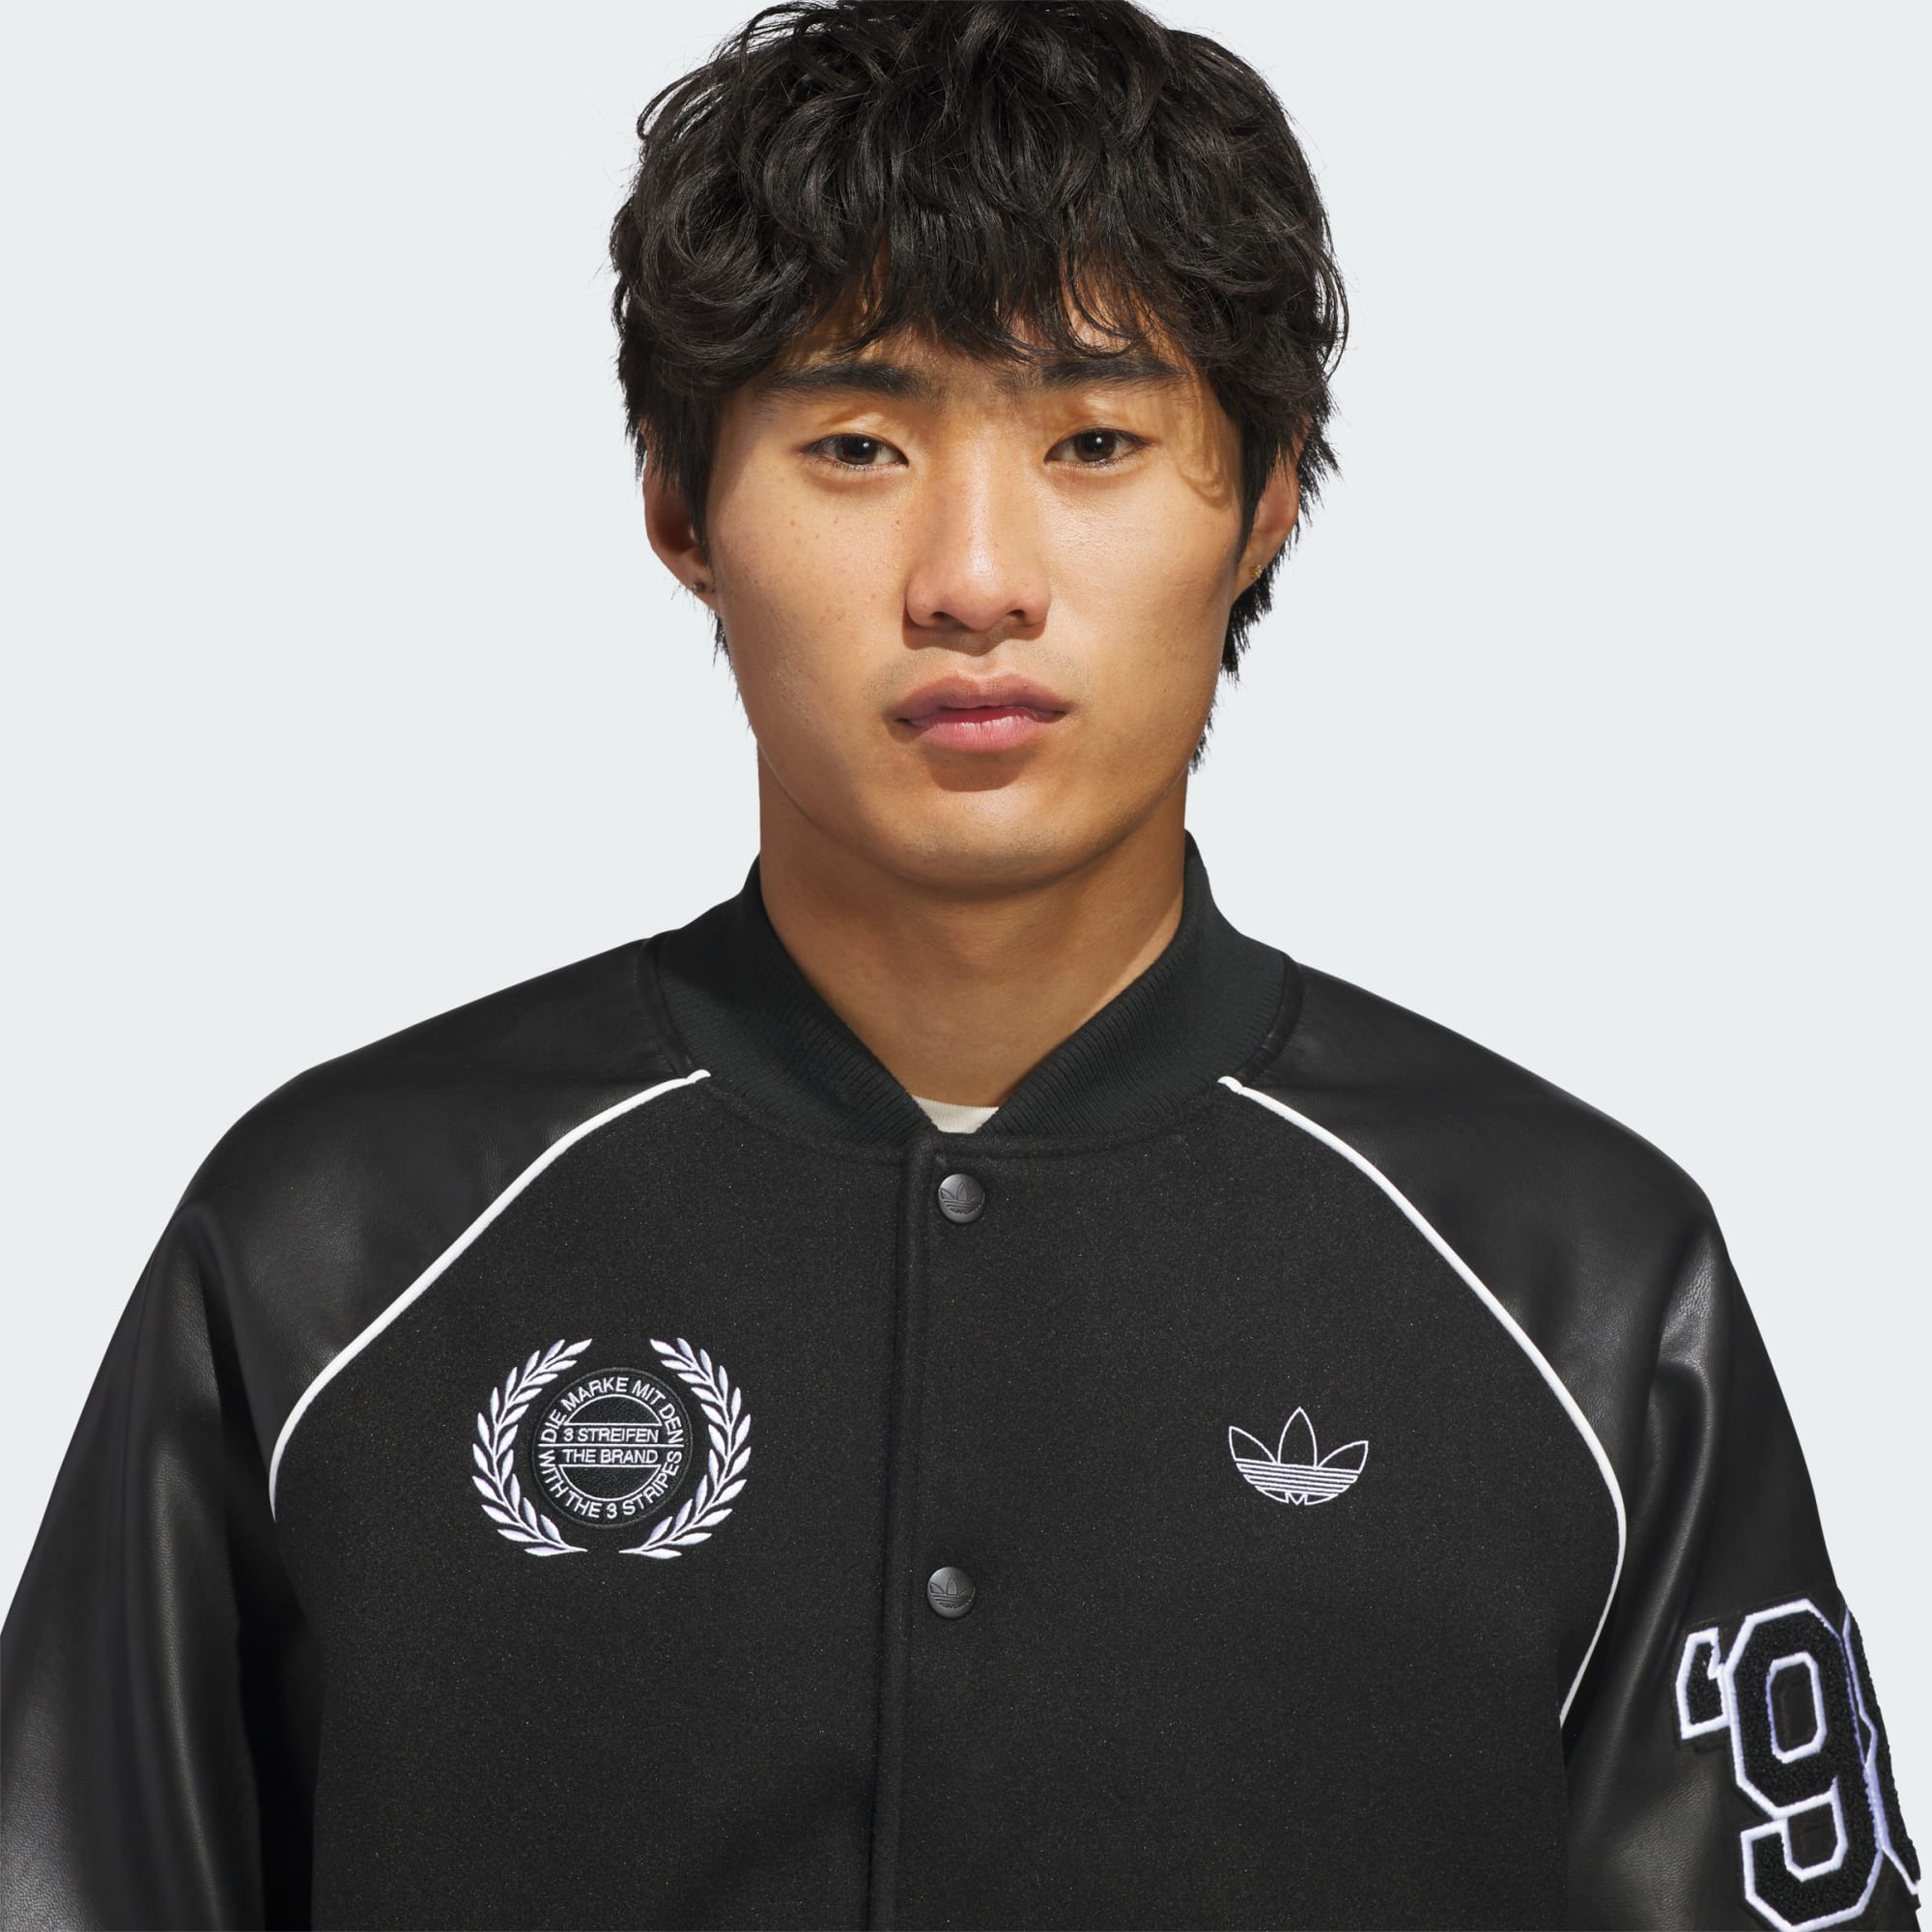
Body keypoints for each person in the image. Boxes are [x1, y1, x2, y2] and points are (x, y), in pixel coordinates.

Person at [1, 2, 1918, 1927]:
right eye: (856, 443)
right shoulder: (332, 1249)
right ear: (678, 504)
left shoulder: (1580, 1285)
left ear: (1266, 497)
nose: (976, 578)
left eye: (1095, 440)